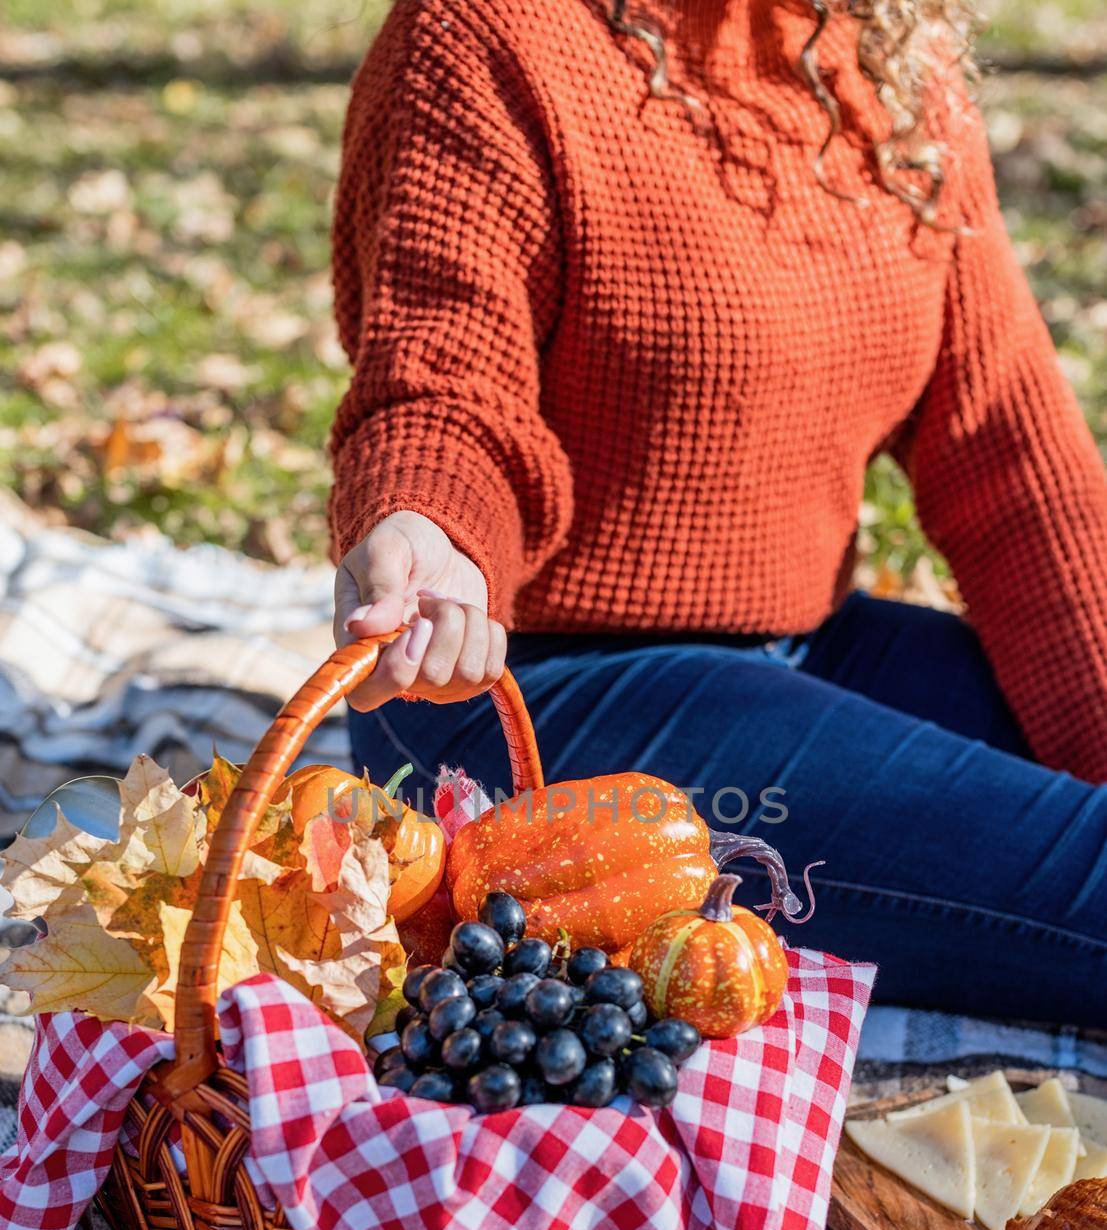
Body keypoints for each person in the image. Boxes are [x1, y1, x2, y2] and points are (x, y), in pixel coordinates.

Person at [326, 0, 1107, 1026]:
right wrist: (432, 528)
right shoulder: (486, 33)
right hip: (527, 700)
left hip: (809, 651)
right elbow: (445, 383)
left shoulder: (890, 57)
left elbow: (1013, 469)